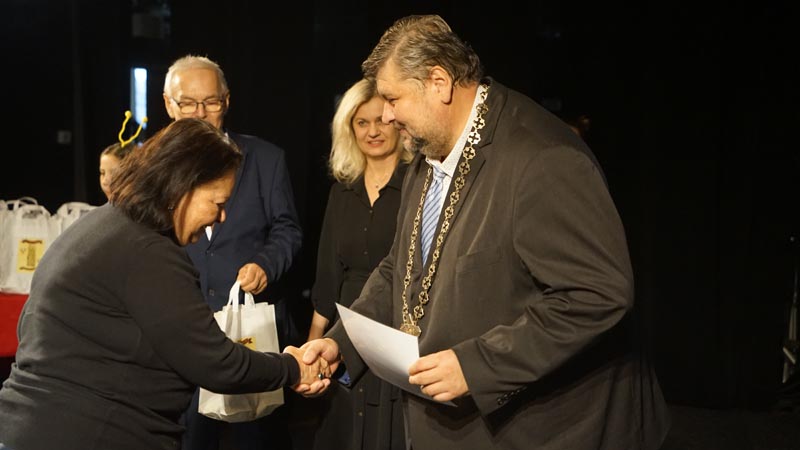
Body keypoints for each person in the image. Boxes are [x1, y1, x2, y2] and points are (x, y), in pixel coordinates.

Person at [299, 14, 670, 450]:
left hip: (547, 431)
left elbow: (597, 293)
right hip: (454, 427)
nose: (386, 115)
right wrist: (342, 343)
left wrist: (476, 366)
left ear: (439, 83)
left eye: (393, 98)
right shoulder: (430, 151)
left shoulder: (541, 157)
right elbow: (400, 265)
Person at [0, 118, 329, 450]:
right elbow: (216, 363)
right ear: (181, 186)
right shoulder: (147, 250)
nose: (221, 217)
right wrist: (292, 368)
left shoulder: (101, 224)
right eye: (217, 203)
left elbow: (29, 327)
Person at [162, 54, 303, 450]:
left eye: (210, 102)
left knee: (257, 438)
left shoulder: (267, 160)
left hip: (250, 330)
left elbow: (288, 230)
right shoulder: (154, 167)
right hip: (183, 329)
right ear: (169, 105)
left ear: (226, 101)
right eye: (188, 103)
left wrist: (265, 265)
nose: (200, 113)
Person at [308, 79, 413, 450]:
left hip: (399, 327)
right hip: (346, 325)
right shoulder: (342, 190)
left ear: (396, 121)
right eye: (361, 122)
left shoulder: (419, 183)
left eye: (380, 120)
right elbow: (327, 272)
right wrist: (315, 340)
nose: (373, 131)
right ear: (349, 129)